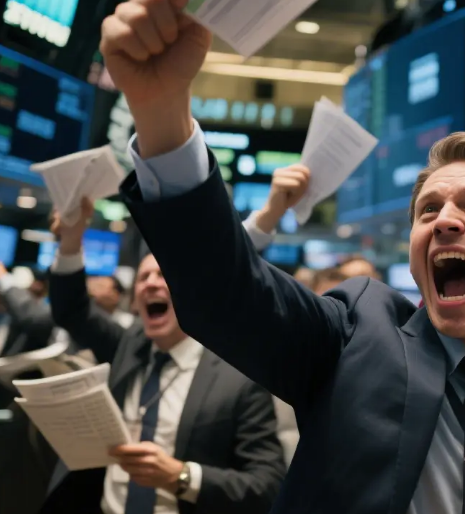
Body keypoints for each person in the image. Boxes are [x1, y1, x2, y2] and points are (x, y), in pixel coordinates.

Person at [100, 2, 465, 512]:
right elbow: (225, 292)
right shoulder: (354, 339)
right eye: (428, 210)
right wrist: (162, 113)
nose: (444, 220)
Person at [42, 200, 285, 514]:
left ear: (190, 293)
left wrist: (181, 477)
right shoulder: (128, 347)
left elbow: (269, 486)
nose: (151, 284)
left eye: (164, 274)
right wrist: (71, 241)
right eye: (143, 277)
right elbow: (72, 310)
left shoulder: (239, 379)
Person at [0, 264, 56, 359]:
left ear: (38, 285)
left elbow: (31, 316)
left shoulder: (41, 316)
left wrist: (4, 278)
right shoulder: (9, 315)